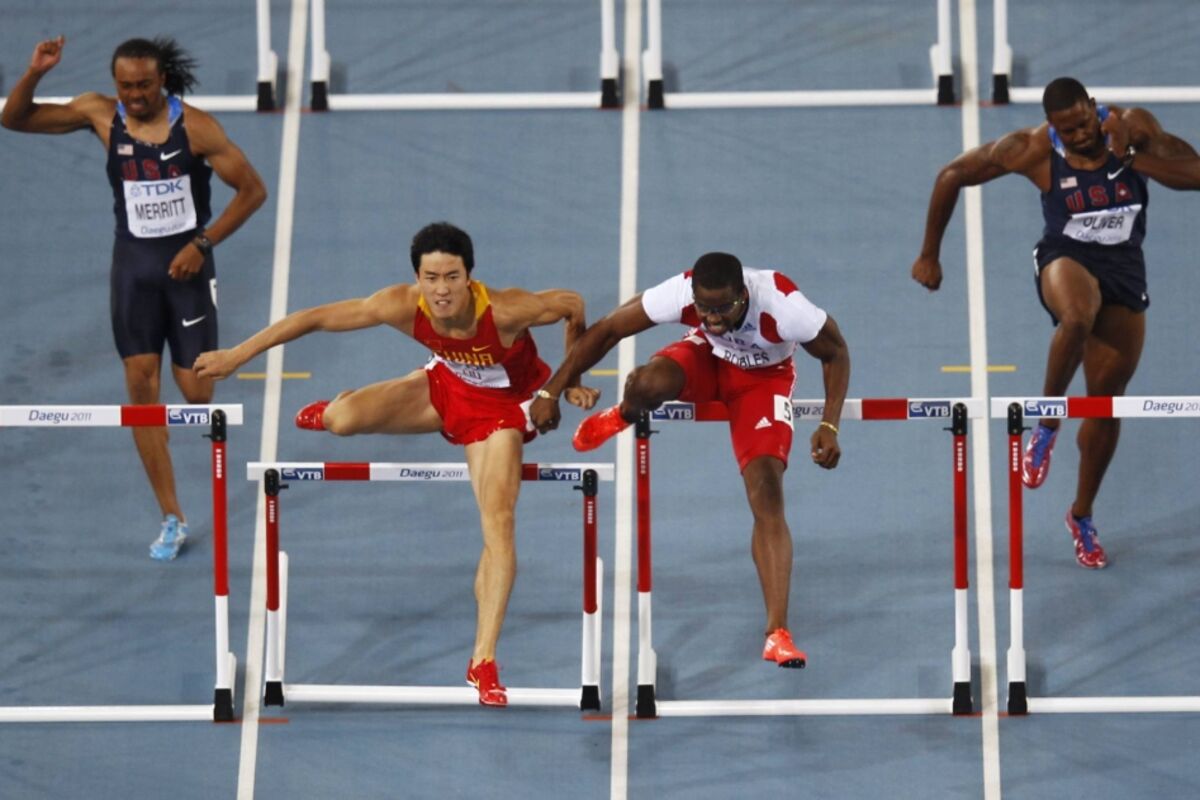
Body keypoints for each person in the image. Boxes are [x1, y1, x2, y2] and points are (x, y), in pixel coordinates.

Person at [194, 222, 596, 705]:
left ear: (469, 277)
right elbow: (314, 318)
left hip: (503, 414)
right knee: (342, 420)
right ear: (417, 278)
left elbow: (572, 304)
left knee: (498, 524)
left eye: (452, 277)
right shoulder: (401, 304)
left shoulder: (507, 309)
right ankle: (339, 407)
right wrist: (237, 355)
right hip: (446, 389)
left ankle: (483, 660)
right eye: (431, 278)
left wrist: (566, 383)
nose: (442, 290)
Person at [911, 76, 1200, 570]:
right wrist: (929, 254)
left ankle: (1081, 515)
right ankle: (1046, 423)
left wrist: (1133, 159)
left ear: (1094, 107)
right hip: (1066, 257)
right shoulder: (1032, 150)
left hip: (1125, 269)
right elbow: (953, 174)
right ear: (1052, 127)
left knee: (1106, 406)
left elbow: (1194, 172)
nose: (1080, 135)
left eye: (1085, 124)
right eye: (1068, 131)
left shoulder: (1133, 127)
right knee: (1077, 316)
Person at [2, 36, 267, 560]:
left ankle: (185, 378)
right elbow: (14, 119)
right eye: (126, 86)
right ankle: (172, 515)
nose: (135, 96)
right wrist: (35, 72)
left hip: (187, 269)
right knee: (142, 395)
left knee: (197, 394)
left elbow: (253, 190)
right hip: (133, 272)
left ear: (161, 79)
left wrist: (202, 244)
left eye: (144, 85)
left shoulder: (197, 128)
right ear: (115, 83)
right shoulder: (99, 114)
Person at [530, 252, 849, 668]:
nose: (712, 317)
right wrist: (551, 390)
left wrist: (830, 424)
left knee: (767, 494)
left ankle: (777, 634)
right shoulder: (682, 292)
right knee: (645, 383)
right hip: (707, 358)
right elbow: (608, 331)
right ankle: (625, 414)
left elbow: (835, 352)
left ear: (744, 294)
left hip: (763, 382)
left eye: (722, 309)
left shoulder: (784, 306)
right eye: (704, 309)